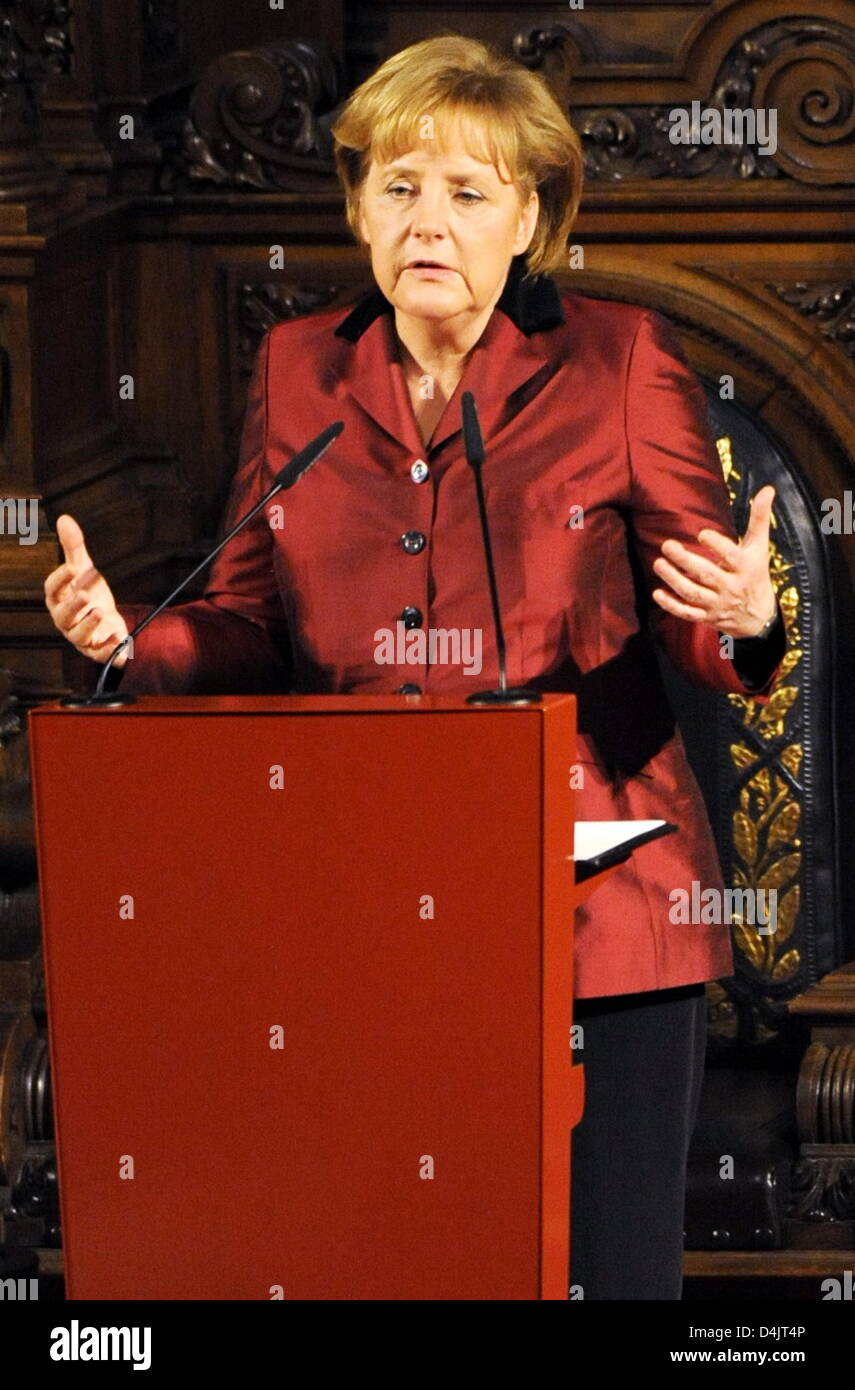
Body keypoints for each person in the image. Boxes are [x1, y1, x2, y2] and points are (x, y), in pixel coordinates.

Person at [43, 34, 786, 1299]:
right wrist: (134, 644)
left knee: (604, 1275)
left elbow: (699, 624)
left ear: (531, 217)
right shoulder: (298, 371)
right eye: (397, 187)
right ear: (355, 209)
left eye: (466, 191)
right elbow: (245, 626)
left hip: (595, 917)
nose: (426, 219)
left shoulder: (618, 362)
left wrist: (747, 616)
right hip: (366, 905)